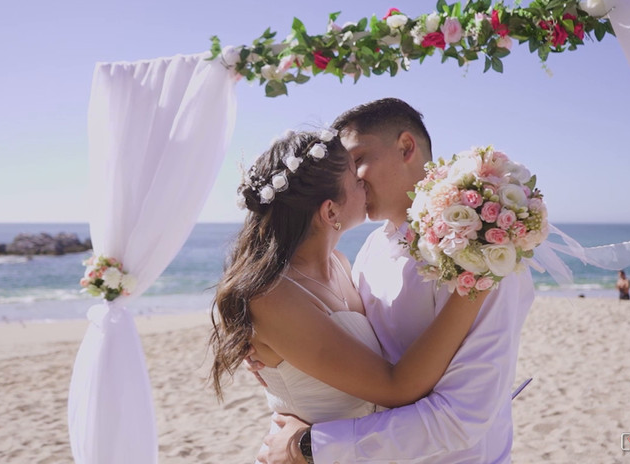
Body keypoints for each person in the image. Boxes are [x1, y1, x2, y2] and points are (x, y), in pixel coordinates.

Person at [255, 98, 536, 464]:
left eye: (357, 161)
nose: (350, 178)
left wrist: (315, 445)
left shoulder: (483, 255)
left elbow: (461, 417)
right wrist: (278, 351)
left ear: (406, 147)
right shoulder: (372, 248)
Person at [209, 129, 493, 460]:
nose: (363, 180)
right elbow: (396, 387)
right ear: (330, 212)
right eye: (353, 175)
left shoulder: (340, 264)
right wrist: (475, 283)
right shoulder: (272, 296)